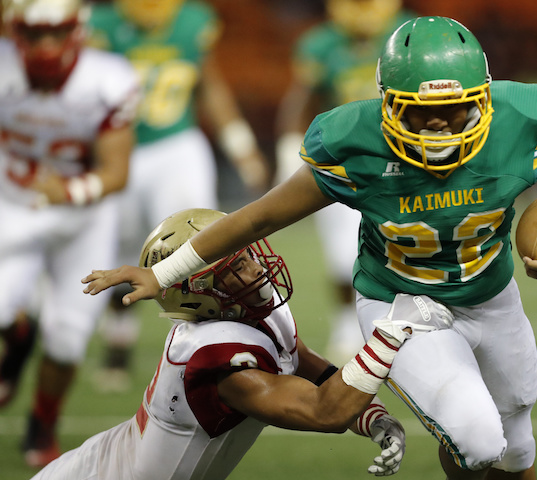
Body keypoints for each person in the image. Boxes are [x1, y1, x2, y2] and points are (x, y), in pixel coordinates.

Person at [82, 16, 537, 480]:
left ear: (484, 99)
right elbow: (259, 217)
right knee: (478, 439)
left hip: (491, 296)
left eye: (455, 108)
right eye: (418, 110)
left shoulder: (518, 118)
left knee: (516, 442)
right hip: (403, 307)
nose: (437, 124)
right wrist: (165, 274)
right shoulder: (356, 141)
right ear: (387, 103)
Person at [38, 208, 452, 479]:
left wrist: (371, 416)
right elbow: (323, 411)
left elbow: (303, 362)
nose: (255, 269)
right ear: (197, 294)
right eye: (234, 268)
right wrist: (391, 333)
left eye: (246, 255)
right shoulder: (216, 359)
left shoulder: (246, 310)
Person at [86, 0, 270, 390]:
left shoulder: (191, 21)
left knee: (203, 246)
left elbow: (209, 85)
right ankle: (118, 346)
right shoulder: (102, 25)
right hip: (120, 150)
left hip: (177, 147)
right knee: (122, 249)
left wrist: (240, 146)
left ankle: (215, 344)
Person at [0, 0, 140, 468]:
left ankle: (42, 422)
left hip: (84, 219)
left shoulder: (107, 79)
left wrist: (70, 189)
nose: (45, 45)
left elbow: (116, 172)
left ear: (76, 31)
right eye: (34, 33)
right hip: (11, 207)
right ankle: (19, 334)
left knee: (67, 336)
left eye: (56, 32)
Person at [275, 0, 415, 363]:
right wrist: (289, 147)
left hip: (406, 157)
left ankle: (411, 319)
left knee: (410, 245)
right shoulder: (323, 44)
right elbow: (302, 98)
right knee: (342, 254)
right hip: (346, 159)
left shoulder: (409, 34)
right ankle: (345, 325)